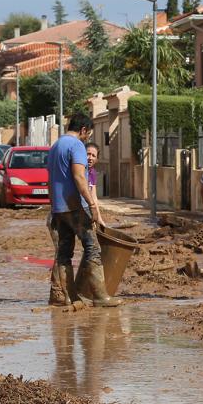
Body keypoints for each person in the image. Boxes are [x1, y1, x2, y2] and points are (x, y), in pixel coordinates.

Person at [47, 112, 120, 308]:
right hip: (76, 206)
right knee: (93, 248)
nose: (87, 138)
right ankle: (100, 296)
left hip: (59, 208)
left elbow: (49, 180)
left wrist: (54, 207)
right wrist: (93, 206)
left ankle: (70, 297)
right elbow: (80, 178)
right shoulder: (76, 145)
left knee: (64, 254)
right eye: (88, 134)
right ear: (83, 130)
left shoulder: (55, 147)